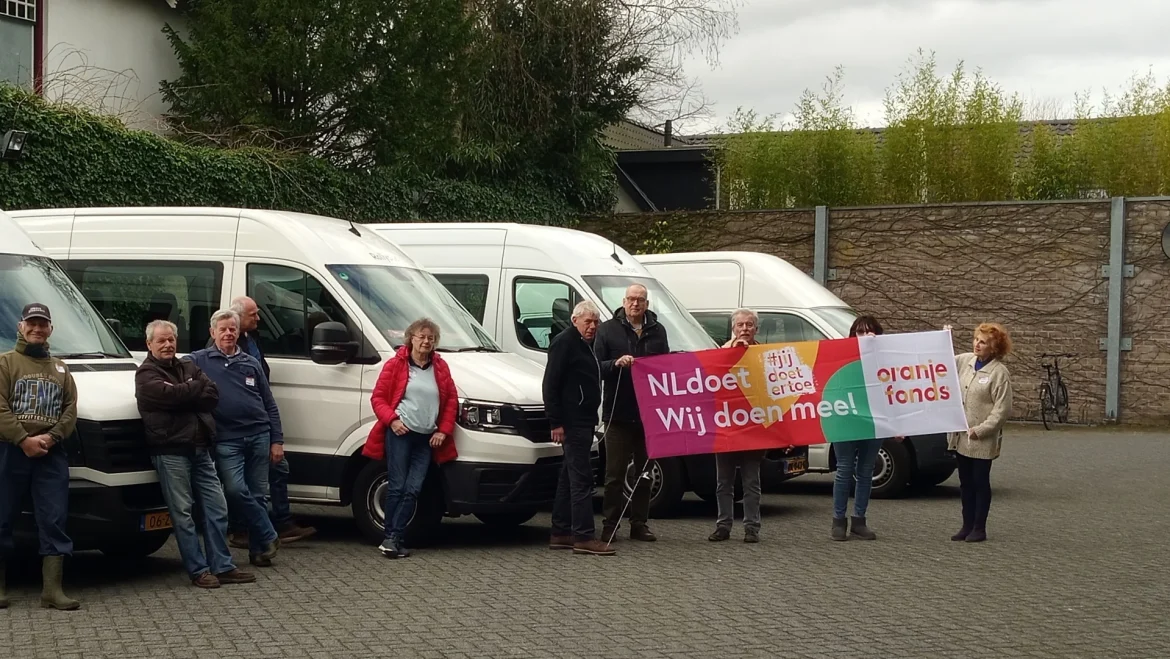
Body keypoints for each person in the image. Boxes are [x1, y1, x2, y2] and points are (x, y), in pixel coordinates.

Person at [136, 320, 256, 588]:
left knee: (218, 507)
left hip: (200, 449)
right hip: (170, 453)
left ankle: (222, 566)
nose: (168, 345)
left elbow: (212, 395)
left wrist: (184, 392)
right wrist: (191, 391)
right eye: (161, 341)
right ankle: (198, 570)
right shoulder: (145, 375)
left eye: (171, 340)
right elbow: (170, 396)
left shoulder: (187, 365)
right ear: (149, 344)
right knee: (183, 514)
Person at [216, 296, 316, 549]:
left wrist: (275, 436)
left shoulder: (252, 341)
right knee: (240, 486)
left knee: (275, 470)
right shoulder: (213, 355)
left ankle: (275, 526)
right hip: (232, 433)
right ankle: (248, 529)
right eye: (253, 314)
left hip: (259, 421)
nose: (258, 318)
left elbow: (264, 386)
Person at [0, 303, 80, 610]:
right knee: (2, 516)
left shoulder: (60, 368)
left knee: (54, 518)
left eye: (43, 324)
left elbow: (70, 409)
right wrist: (22, 439)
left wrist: (50, 437)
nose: (37, 328)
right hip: (9, 450)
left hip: (50, 453)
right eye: (31, 323)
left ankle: (52, 591)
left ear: (50, 329)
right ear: (21, 326)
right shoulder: (6, 364)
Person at [190, 309, 281, 567]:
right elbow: (172, 368)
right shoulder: (199, 360)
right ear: (212, 333)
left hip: (259, 436)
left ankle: (259, 551)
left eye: (233, 329)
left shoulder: (251, 363)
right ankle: (269, 534)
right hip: (227, 440)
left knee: (258, 494)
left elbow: (270, 404)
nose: (228, 333)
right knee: (235, 490)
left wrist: (277, 440)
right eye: (223, 329)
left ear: (239, 332)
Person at [362, 318, 458, 559]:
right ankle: (391, 537)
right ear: (411, 339)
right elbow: (378, 398)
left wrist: (442, 431)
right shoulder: (396, 365)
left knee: (413, 489)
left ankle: (393, 538)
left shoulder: (441, 367)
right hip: (401, 435)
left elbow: (451, 402)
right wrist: (393, 420)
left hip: (427, 439)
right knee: (397, 485)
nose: (426, 341)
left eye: (431, 338)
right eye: (422, 336)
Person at [594, 283, 670, 543]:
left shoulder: (658, 331)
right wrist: (615, 363)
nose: (635, 304)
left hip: (648, 415)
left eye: (640, 300)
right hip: (618, 413)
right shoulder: (607, 330)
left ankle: (639, 523)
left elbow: (666, 368)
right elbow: (595, 367)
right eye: (631, 299)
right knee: (614, 475)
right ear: (624, 302)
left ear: (647, 304)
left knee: (645, 473)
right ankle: (610, 525)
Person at [544, 301, 613, 556]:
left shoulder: (589, 346)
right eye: (588, 322)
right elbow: (550, 383)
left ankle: (561, 532)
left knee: (567, 478)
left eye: (595, 322)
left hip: (585, 419)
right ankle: (584, 536)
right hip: (573, 422)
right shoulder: (565, 343)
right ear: (575, 320)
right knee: (582, 478)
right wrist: (556, 422)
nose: (592, 326)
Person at [830, 315, 902, 542]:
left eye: (869, 332)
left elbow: (895, 391)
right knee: (843, 470)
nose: (864, 336)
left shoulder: (885, 361)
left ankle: (859, 520)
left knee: (865, 471)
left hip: (873, 422)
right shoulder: (841, 357)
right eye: (859, 332)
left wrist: (896, 424)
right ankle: (838, 521)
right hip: (845, 422)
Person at [947, 322, 1013, 543]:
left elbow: (1002, 409)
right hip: (961, 436)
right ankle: (966, 525)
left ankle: (979, 527)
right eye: (976, 339)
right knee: (965, 483)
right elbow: (943, 361)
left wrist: (982, 429)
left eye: (983, 342)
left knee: (979, 482)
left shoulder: (999, 373)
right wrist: (945, 336)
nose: (977, 344)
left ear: (993, 347)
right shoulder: (966, 361)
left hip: (981, 439)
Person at [710, 308, 766, 543]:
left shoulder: (765, 355)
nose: (744, 329)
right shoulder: (718, 354)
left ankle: (752, 527)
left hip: (753, 429)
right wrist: (729, 354)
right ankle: (723, 525)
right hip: (727, 429)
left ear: (756, 329)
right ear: (733, 329)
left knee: (751, 482)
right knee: (724, 482)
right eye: (740, 325)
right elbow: (709, 381)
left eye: (749, 325)